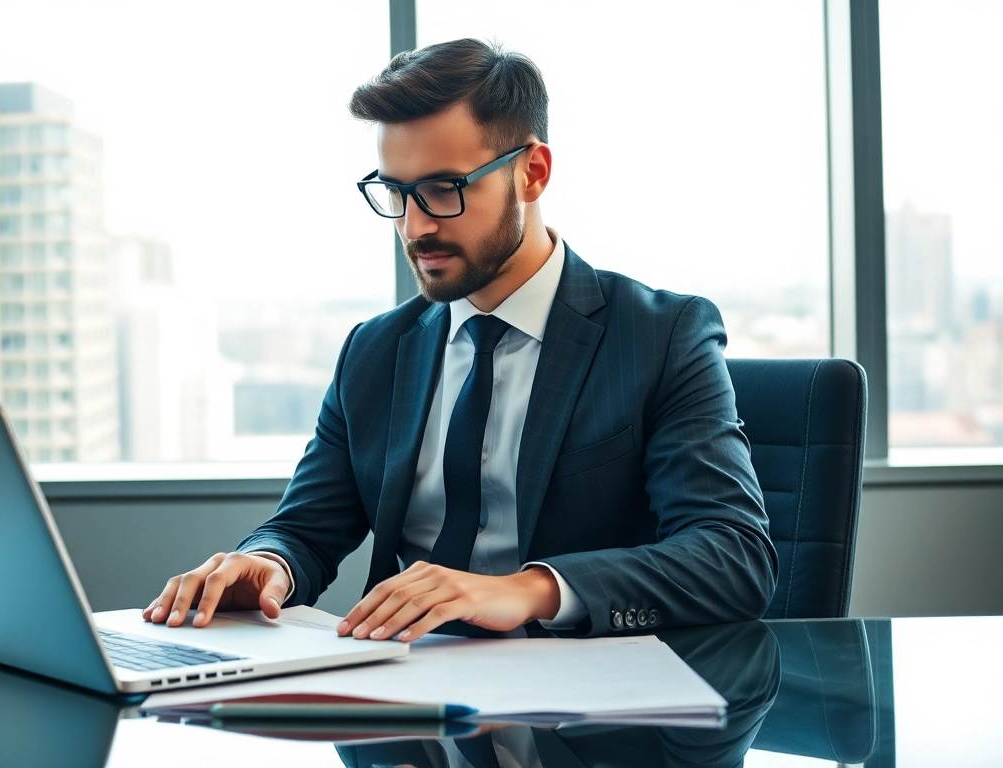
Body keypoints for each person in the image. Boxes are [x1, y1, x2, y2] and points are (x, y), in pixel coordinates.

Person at [143, 37, 776, 640]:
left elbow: (732, 554)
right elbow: (307, 529)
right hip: (406, 706)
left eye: (443, 190)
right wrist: (268, 562)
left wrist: (527, 589)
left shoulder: (660, 334)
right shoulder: (374, 351)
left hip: (582, 717)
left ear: (531, 172)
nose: (416, 227)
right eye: (396, 192)